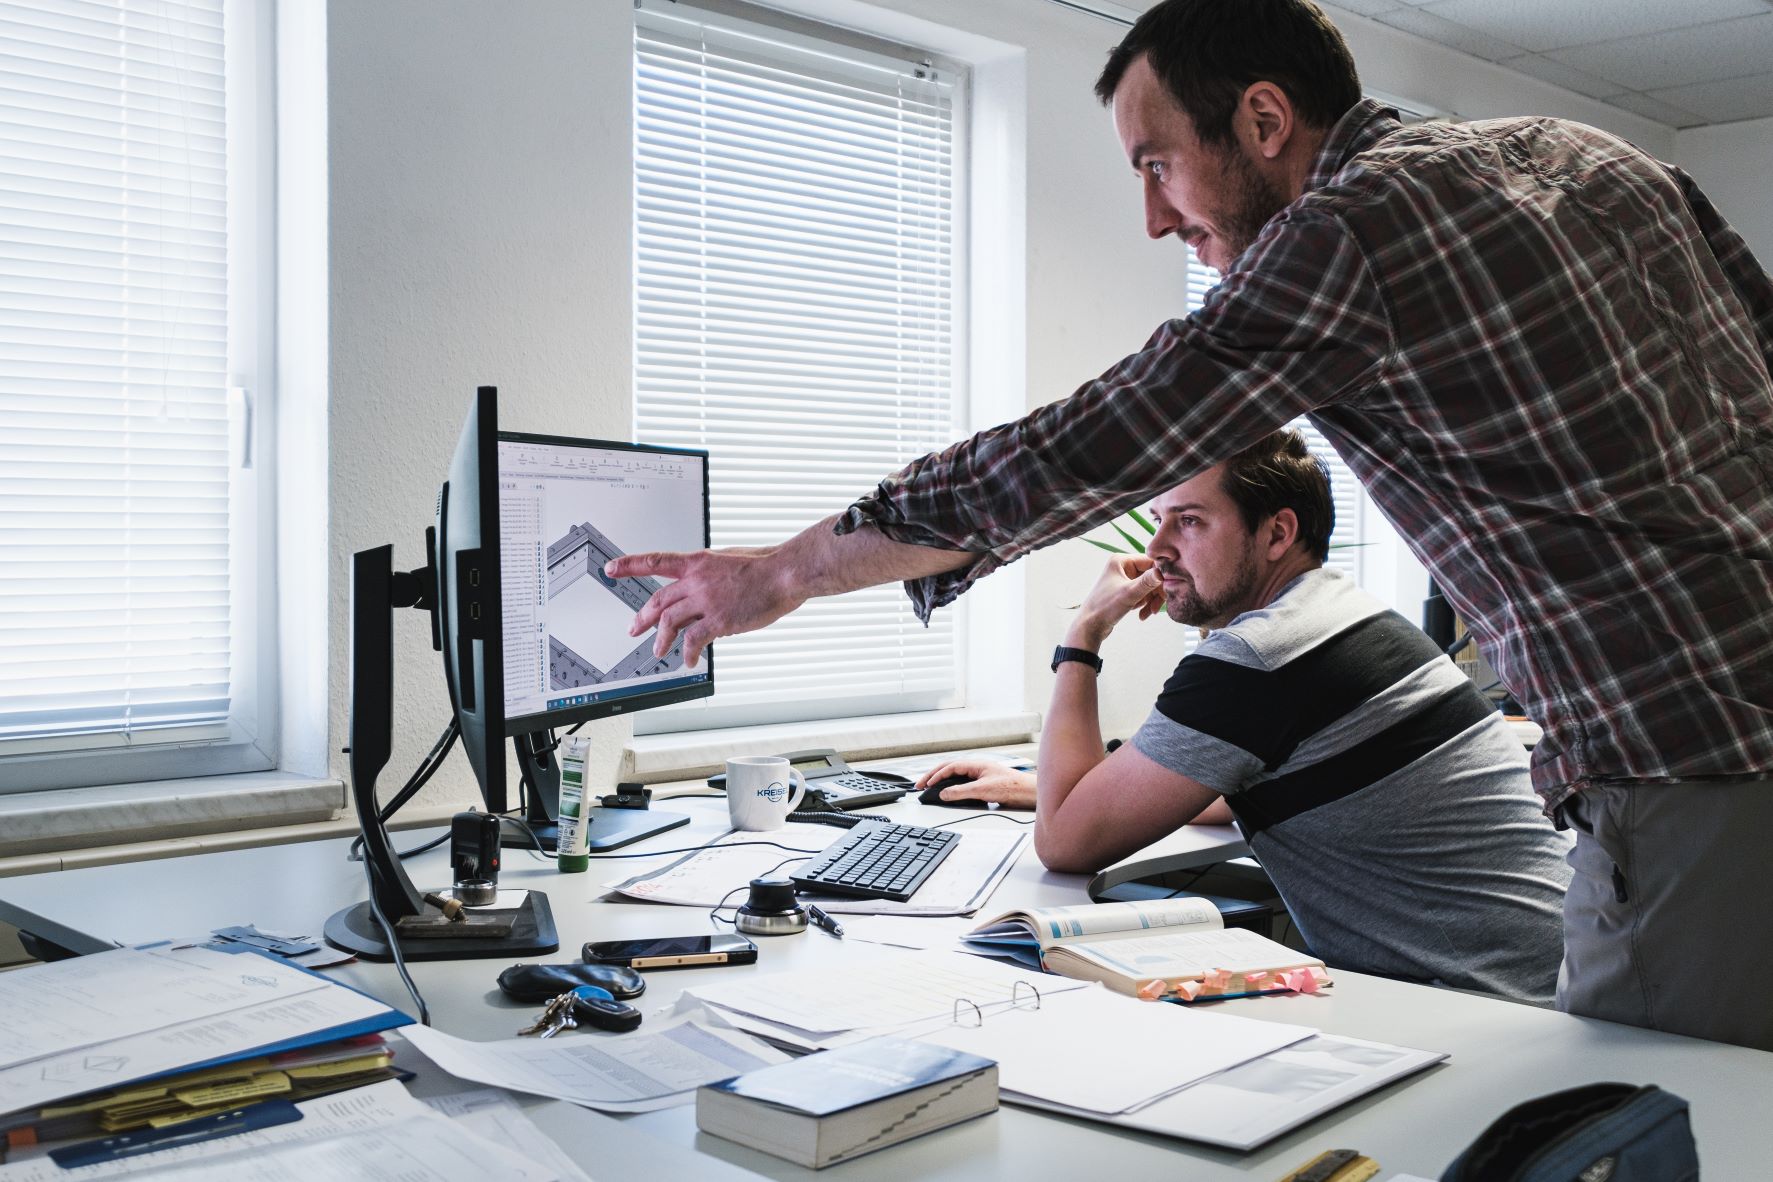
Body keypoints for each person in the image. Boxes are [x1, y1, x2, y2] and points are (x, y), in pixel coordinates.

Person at [609, 0, 1773, 1049]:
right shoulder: (1601, 159)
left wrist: (789, 573)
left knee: (1674, 1120)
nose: (1157, 220)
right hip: (1732, 739)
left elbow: (1091, 443)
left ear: (1266, 119)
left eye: (1159, 165)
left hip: (1687, 772)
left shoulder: (1355, 228)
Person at [917, 431, 1571, 1004]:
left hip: (1476, 1003)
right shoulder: (1345, 615)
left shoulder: (1261, 655)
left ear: (1276, 533)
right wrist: (1040, 785)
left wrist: (1083, 635)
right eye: (1157, 520)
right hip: (1544, 976)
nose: (1157, 548)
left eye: (1190, 522)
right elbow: (1229, 792)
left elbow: (1063, 844)